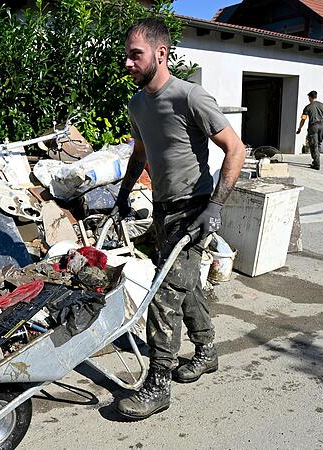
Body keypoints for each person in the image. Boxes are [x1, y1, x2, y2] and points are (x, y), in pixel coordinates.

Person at [112, 18, 246, 420]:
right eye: (127, 55)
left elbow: (236, 149)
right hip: (163, 210)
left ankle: (158, 384)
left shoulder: (190, 96)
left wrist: (215, 207)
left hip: (194, 210)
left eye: (136, 55)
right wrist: (122, 194)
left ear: (161, 53)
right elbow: (142, 152)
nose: (128, 63)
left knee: (162, 293)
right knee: (185, 286)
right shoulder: (137, 104)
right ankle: (205, 351)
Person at [296, 91, 323, 170]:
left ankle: (317, 164)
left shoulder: (308, 107)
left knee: (313, 145)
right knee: (318, 144)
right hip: (322, 126)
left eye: (308, 97)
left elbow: (303, 119)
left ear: (310, 97)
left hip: (313, 127)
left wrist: (299, 128)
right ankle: (316, 161)